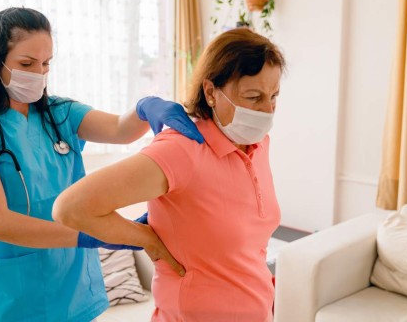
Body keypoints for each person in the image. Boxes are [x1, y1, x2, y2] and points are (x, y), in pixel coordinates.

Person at [0, 7, 204, 322]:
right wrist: (93, 235)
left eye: (45, 64)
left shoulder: (58, 113)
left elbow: (120, 130)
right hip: (12, 299)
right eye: (26, 64)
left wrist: (144, 107)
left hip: (73, 292)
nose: (38, 74)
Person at [53, 28, 285, 322]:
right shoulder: (182, 150)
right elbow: (71, 208)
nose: (267, 110)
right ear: (211, 92)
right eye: (253, 97)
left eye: (274, 96)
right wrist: (146, 238)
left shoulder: (258, 144)